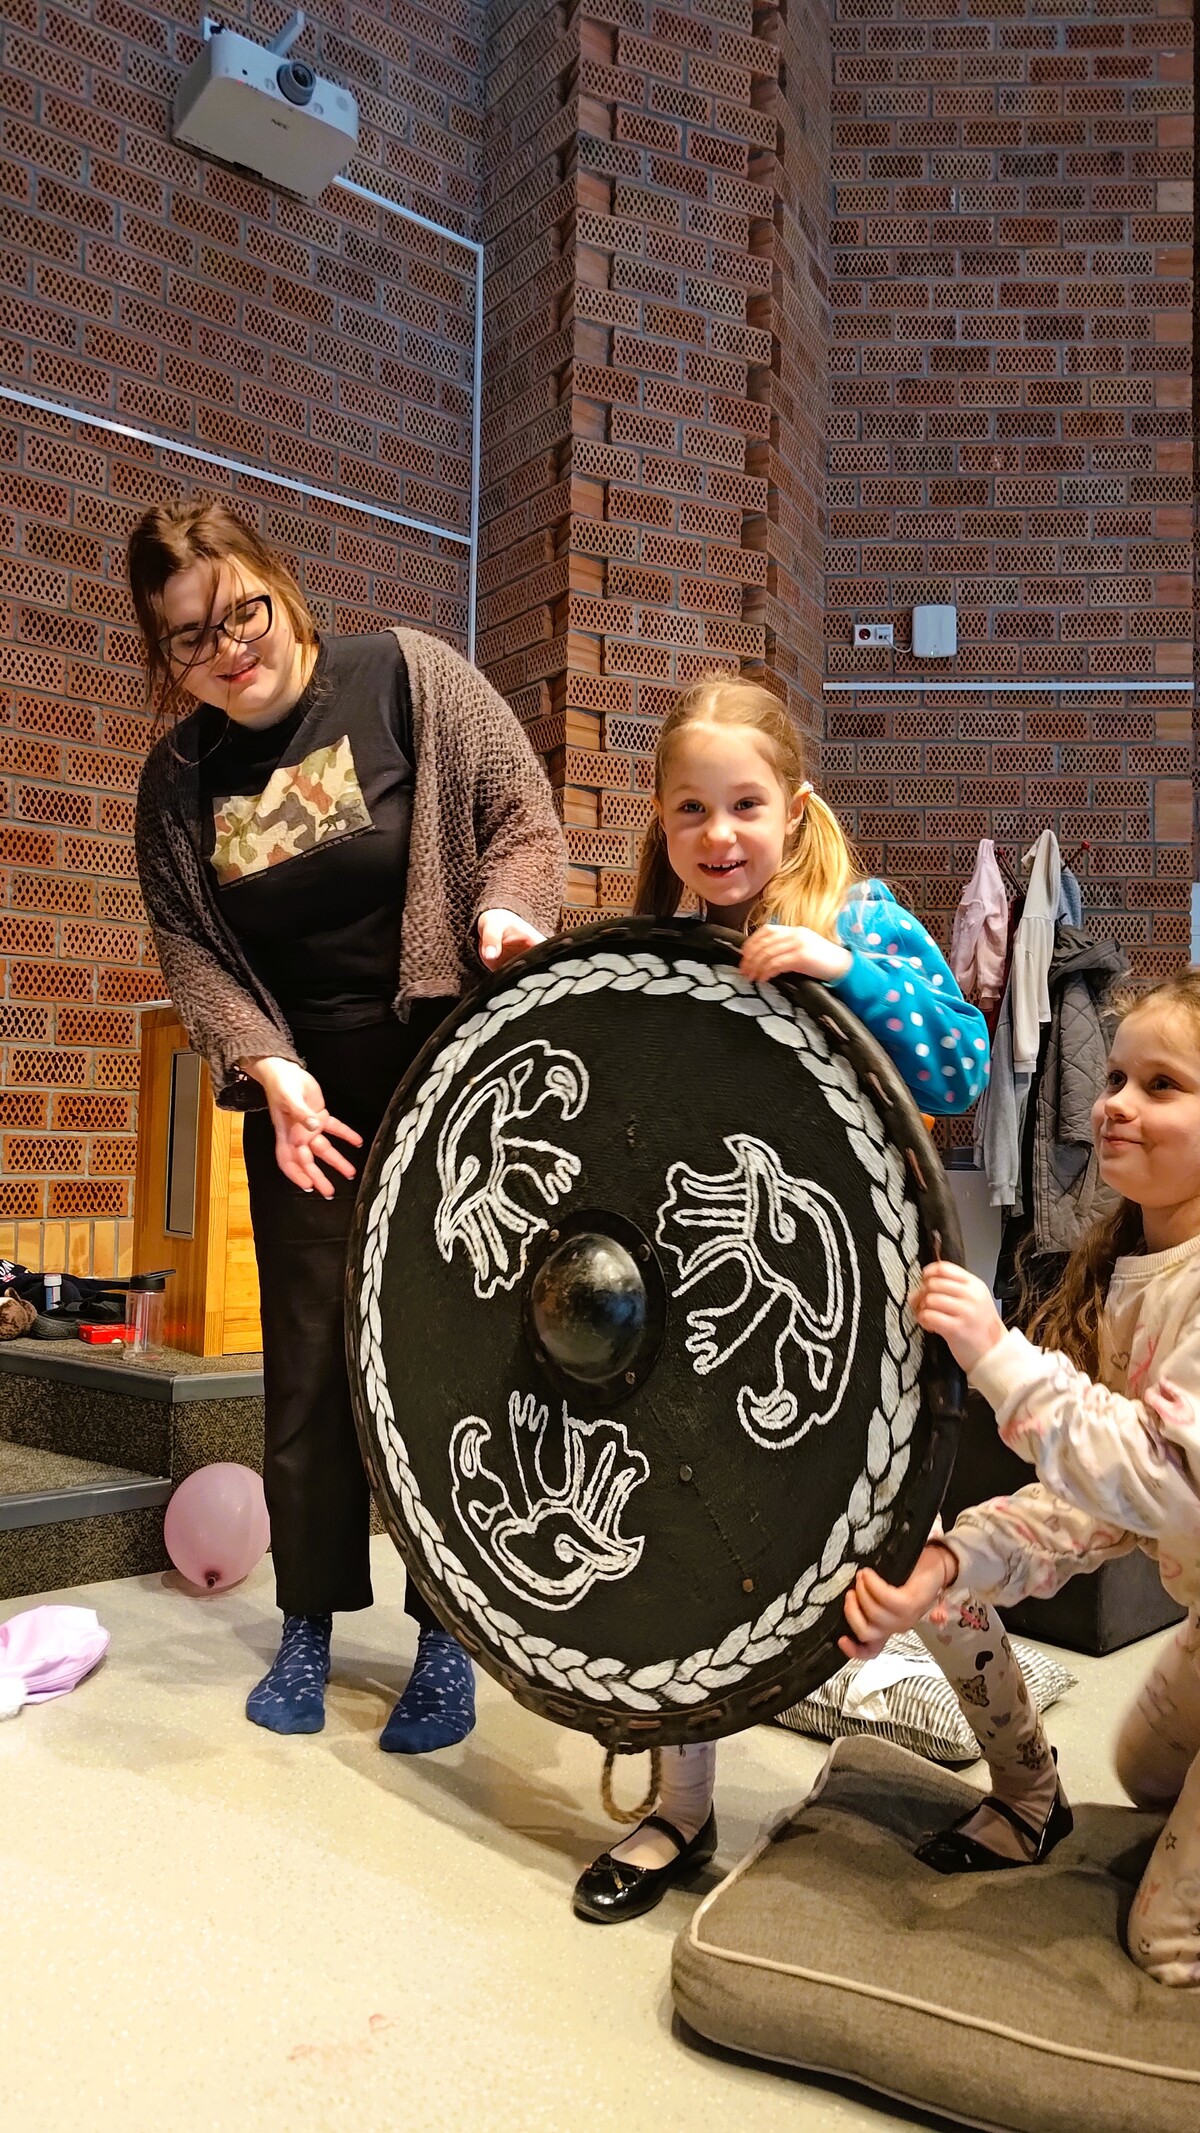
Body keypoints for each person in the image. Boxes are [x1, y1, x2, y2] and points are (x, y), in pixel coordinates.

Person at [572, 676, 1026, 1923]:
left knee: (902, 1553)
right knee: (685, 1535)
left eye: (745, 805)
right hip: (704, 1307)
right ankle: (680, 1809)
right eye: (690, 810)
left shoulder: (855, 915)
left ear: (794, 806)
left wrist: (843, 972)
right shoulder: (663, 954)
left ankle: (1029, 1783)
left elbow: (959, 1063)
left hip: (865, 1305)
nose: (719, 834)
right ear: (663, 824)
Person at [130, 499, 565, 1749]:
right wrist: (267, 1067)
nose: (229, 650)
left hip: (450, 1086)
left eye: (243, 613)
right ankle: (309, 1619)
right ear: (166, 657)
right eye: (191, 638)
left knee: (454, 1352)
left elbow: (522, 820)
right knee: (311, 1365)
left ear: (281, 584)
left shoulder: (408, 679)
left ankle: (446, 1634)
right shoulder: (179, 782)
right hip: (303, 1111)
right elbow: (191, 949)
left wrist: (510, 911)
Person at [844, 968, 1200, 1987]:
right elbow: (1094, 1508)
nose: (1114, 1103)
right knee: (1143, 1775)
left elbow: (1161, 1485)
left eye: (1162, 1085)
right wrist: (951, 1564)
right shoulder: (1135, 1269)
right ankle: (1028, 1796)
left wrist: (998, 1356)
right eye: (1116, 1077)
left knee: (1166, 1943)